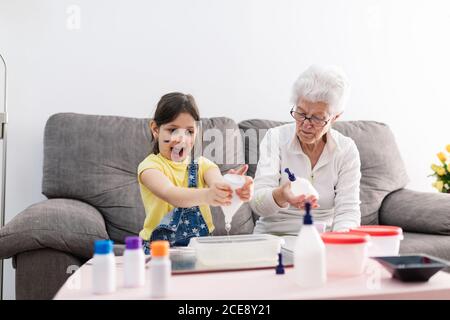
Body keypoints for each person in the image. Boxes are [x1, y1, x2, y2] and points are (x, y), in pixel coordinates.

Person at [250, 65, 361, 237]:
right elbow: (257, 203)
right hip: (274, 237)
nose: (306, 124)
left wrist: (340, 243)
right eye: (301, 113)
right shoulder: (275, 138)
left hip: (323, 239)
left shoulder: (346, 150)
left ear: (335, 117)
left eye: (317, 118)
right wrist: (281, 195)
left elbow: (348, 210)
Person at [138, 92, 253, 252]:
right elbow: (171, 193)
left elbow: (218, 184)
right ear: (155, 129)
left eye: (189, 132)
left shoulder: (204, 165)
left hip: (200, 250)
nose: (181, 139)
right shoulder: (150, 167)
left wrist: (234, 187)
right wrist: (207, 195)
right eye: (173, 130)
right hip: (158, 251)